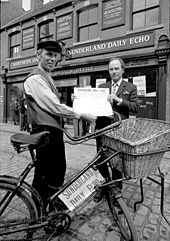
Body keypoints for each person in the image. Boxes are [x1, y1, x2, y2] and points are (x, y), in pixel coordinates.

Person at [24, 40, 96, 207]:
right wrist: (80, 114)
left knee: (52, 173)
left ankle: (43, 209)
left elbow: (54, 104)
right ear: (38, 55)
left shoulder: (46, 77)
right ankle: (40, 212)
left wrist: (77, 102)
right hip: (45, 132)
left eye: (55, 56)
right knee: (48, 175)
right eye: (48, 54)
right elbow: (54, 106)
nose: (52, 59)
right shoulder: (35, 78)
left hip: (51, 132)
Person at [94, 57, 140, 202]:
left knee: (117, 162)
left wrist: (119, 100)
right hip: (102, 129)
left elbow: (136, 107)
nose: (113, 72)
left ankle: (116, 191)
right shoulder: (102, 87)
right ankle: (103, 185)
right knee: (101, 159)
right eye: (111, 69)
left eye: (116, 69)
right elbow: (93, 105)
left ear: (122, 70)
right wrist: (80, 101)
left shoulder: (130, 87)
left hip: (119, 131)